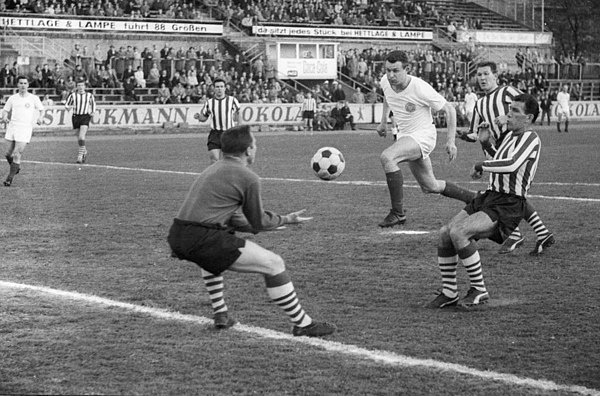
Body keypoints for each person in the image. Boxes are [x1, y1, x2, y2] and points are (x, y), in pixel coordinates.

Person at [167, 124, 337, 337]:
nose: (256, 148)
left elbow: (235, 218)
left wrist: (273, 224)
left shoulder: (212, 169)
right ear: (248, 150)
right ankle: (302, 323)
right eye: (255, 144)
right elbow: (258, 221)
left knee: (210, 257)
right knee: (274, 263)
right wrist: (287, 219)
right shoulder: (248, 177)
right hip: (202, 236)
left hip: (179, 235)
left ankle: (221, 314)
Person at [426, 94, 542, 310]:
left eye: (516, 111)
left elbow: (511, 164)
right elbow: (499, 157)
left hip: (509, 203)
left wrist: (481, 165)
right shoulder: (509, 136)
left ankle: (479, 289)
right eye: (510, 108)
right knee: (445, 233)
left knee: (459, 232)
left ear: (528, 118)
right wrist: (486, 142)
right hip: (490, 197)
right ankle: (450, 292)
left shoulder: (531, 138)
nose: (509, 114)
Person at [460, 61, 555, 255]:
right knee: (507, 192)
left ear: (495, 75)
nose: (482, 78)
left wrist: (505, 117)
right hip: (495, 149)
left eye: (486, 74)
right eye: (479, 75)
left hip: (515, 143)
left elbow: (529, 105)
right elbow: (475, 133)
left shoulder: (507, 92)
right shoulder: (479, 104)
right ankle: (537, 233)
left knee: (511, 193)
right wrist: (464, 136)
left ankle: (516, 233)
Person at [375, 50, 474, 227]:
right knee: (430, 186)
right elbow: (386, 96)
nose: (390, 75)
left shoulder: (420, 87)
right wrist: (383, 122)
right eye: (388, 70)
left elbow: (449, 109)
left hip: (423, 136)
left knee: (388, 157)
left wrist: (450, 141)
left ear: (407, 69)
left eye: (396, 70)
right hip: (406, 136)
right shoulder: (385, 81)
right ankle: (474, 199)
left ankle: (397, 213)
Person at [1, 76, 45, 187]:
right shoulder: (13, 98)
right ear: (17, 85)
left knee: (17, 153)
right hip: (12, 127)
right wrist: (5, 117)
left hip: (25, 128)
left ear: (28, 85)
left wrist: (40, 118)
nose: (23, 85)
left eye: (25, 83)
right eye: (21, 83)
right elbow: (5, 110)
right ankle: (16, 167)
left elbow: (42, 110)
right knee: (7, 154)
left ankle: (9, 179)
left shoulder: (33, 98)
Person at [193, 78, 240, 164]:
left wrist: (238, 128)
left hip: (228, 133)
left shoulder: (232, 100)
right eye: (217, 87)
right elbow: (204, 117)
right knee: (214, 159)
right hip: (215, 134)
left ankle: (227, 176)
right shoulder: (209, 103)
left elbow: (238, 113)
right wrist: (199, 117)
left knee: (229, 160)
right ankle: (215, 176)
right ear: (214, 88)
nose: (219, 89)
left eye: (221, 86)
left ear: (225, 88)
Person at [64, 77, 97, 164]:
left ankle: (80, 155)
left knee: (82, 137)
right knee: (79, 138)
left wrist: (92, 112)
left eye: (82, 85)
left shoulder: (89, 95)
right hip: (75, 117)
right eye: (79, 85)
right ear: (76, 86)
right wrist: (69, 107)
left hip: (85, 116)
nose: (80, 87)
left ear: (84, 86)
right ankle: (84, 150)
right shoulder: (73, 95)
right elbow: (67, 105)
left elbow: (93, 105)